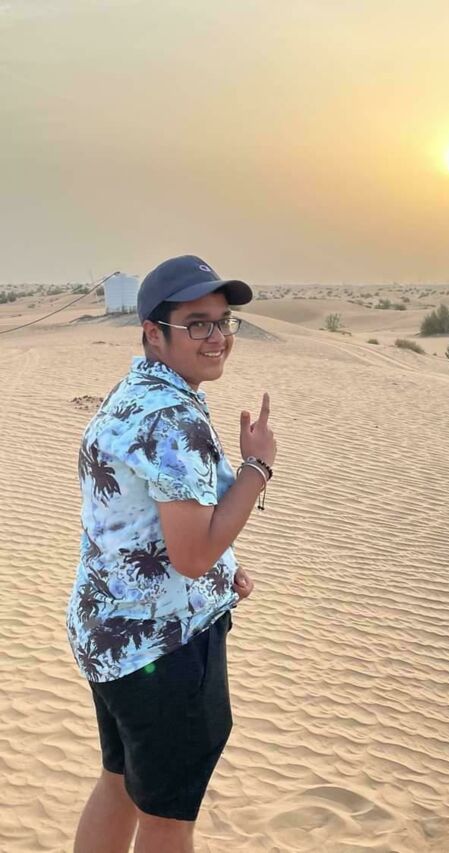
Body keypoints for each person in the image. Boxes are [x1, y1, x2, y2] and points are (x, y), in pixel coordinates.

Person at [67, 255, 277, 853]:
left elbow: (141, 523)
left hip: (108, 636)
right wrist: (257, 467)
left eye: (223, 321)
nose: (217, 337)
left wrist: (225, 569)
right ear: (153, 333)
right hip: (163, 650)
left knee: (119, 783)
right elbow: (192, 555)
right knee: (167, 819)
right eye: (197, 324)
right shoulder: (173, 418)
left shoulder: (134, 393)